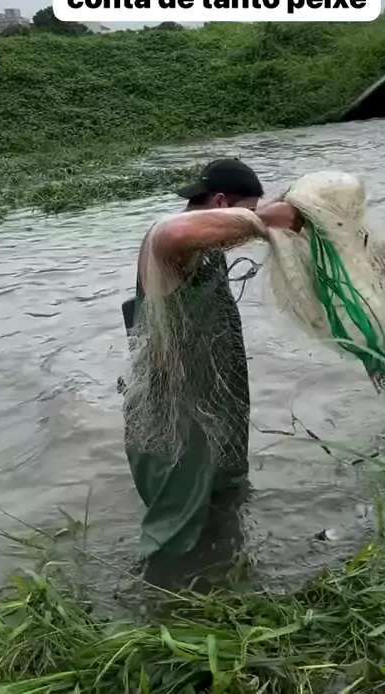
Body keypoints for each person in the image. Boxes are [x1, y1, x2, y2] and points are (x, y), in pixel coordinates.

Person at [122, 157, 302, 568]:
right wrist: (265, 220)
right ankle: (163, 601)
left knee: (224, 510)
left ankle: (225, 581)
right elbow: (172, 231)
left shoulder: (207, 247)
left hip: (216, 409)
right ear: (220, 203)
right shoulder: (169, 245)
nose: (243, 231)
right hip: (174, 420)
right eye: (244, 214)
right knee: (173, 539)